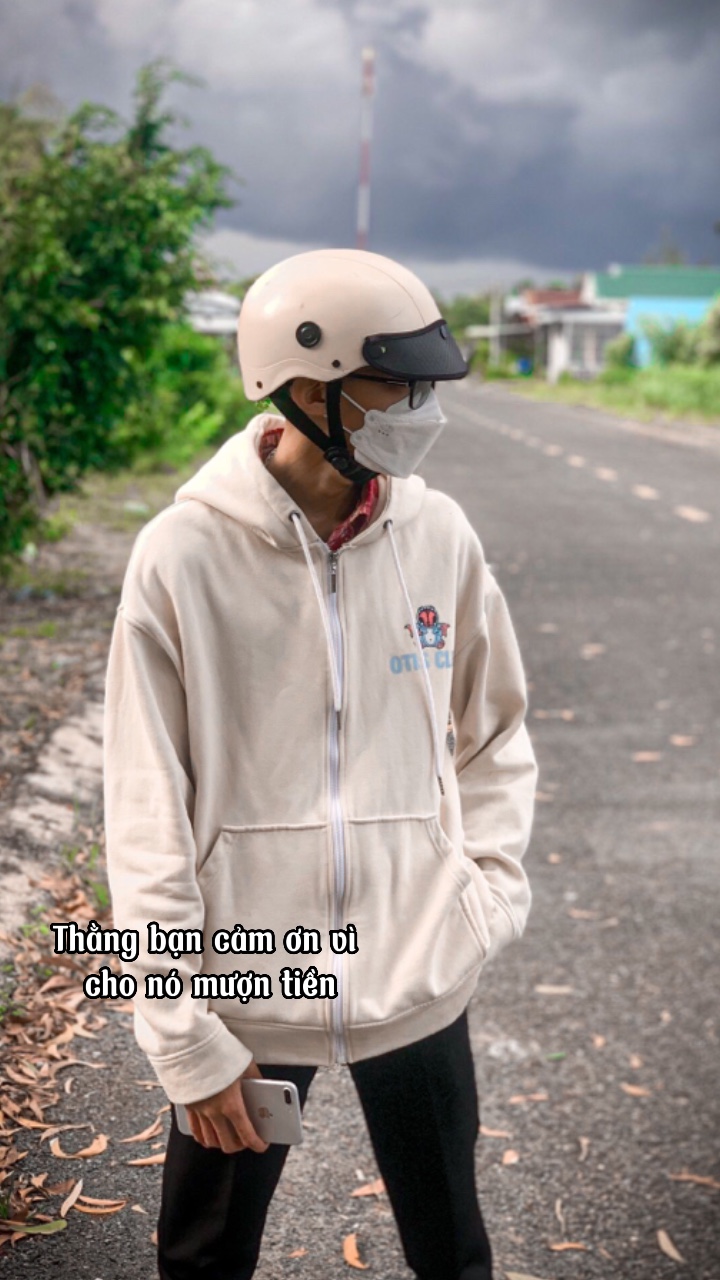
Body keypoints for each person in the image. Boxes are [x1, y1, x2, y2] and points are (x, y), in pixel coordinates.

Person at [103, 248, 539, 1280]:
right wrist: (183, 1034)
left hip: (419, 970)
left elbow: (494, 732)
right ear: (310, 391)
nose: (423, 409)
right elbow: (146, 804)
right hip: (248, 984)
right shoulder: (181, 557)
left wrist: (484, 895)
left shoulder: (439, 534)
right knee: (203, 1259)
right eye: (397, 384)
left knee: (455, 1254)